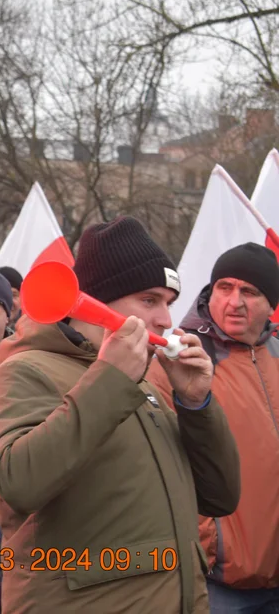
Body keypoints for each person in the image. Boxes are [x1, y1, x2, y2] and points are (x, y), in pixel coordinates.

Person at [0, 216, 241, 613]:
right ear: (99, 302)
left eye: (168, 304)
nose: (166, 320)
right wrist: (111, 380)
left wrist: (196, 404)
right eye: (149, 300)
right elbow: (18, 484)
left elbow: (219, 497)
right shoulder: (25, 370)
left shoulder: (143, 385)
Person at [147, 242, 279, 611]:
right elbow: (160, 458)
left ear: (271, 303)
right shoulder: (182, 358)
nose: (234, 301)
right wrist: (205, 543)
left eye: (249, 291)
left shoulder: (277, 356)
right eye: (225, 287)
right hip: (216, 579)